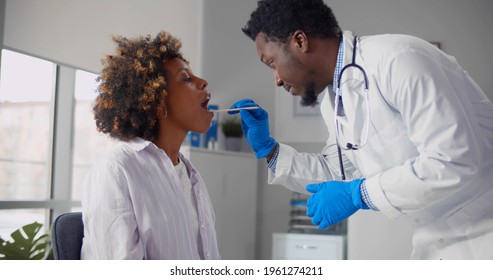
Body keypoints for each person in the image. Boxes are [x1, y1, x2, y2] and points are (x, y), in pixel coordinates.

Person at [231, 0, 493, 259]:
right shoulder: (334, 99)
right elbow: (339, 173)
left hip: (484, 235)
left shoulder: (398, 59)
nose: (276, 79)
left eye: (272, 63)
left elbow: (453, 161)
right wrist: (271, 150)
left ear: (300, 41)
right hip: (437, 243)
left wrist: (359, 194)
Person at [80, 31, 220, 259]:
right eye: (185, 78)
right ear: (156, 102)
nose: (202, 81)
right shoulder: (115, 172)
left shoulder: (189, 175)